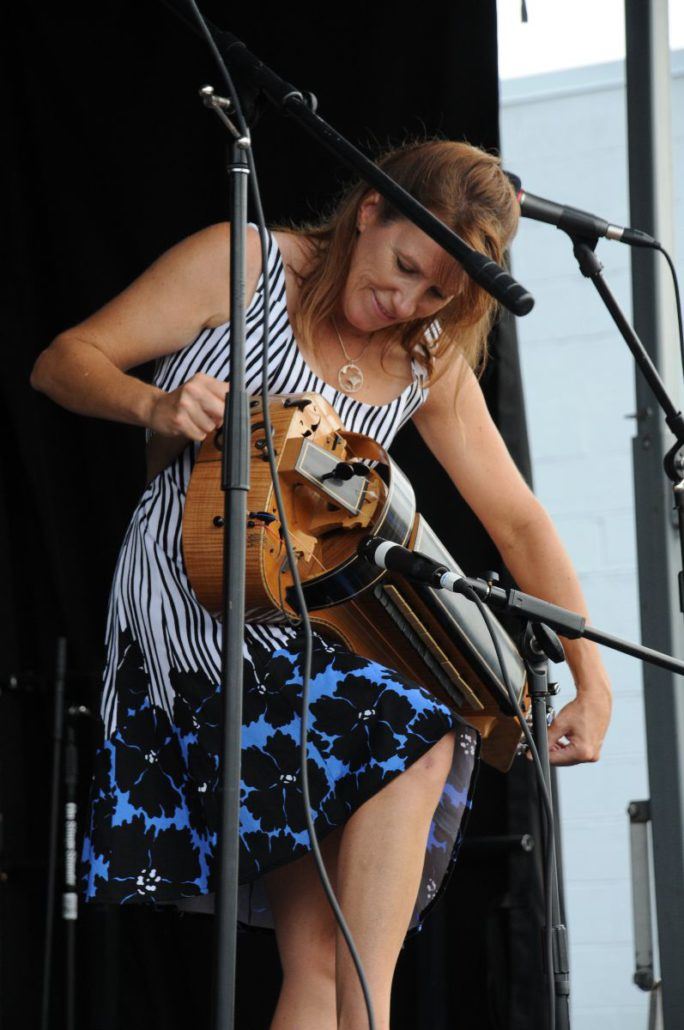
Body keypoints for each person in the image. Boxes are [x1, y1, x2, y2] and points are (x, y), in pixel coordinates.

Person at [31, 139, 612, 1030]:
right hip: (196, 614)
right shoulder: (247, 262)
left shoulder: (425, 359)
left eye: (435, 296)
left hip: (306, 630)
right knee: (419, 735)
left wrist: (593, 678)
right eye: (404, 267)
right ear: (368, 212)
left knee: (319, 955)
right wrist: (151, 406)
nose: (404, 303)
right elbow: (65, 359)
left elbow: (519, 520)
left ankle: (357, 1009)